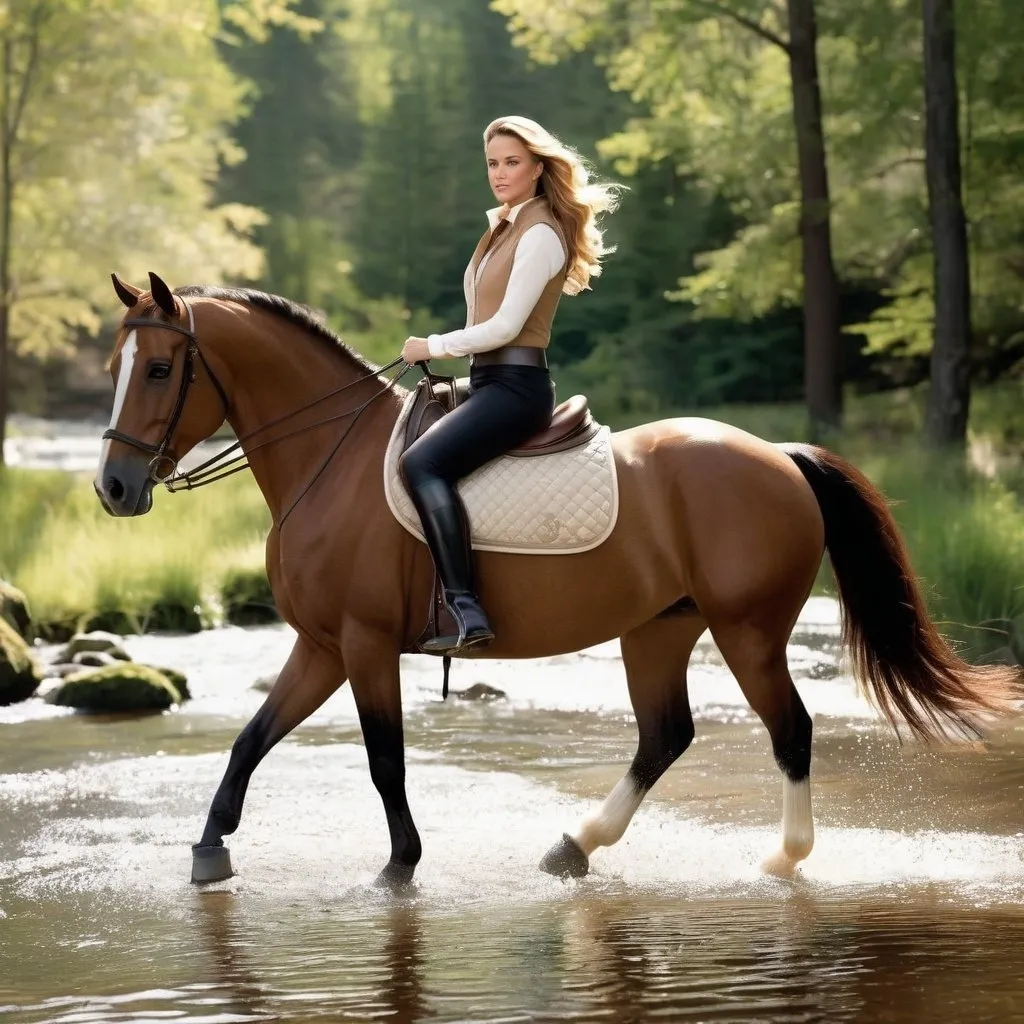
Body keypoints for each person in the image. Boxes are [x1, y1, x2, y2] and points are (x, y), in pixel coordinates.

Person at [399, 115, 621, 655]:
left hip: (517, 388)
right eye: (493, 164)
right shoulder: (505, 225)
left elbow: (504, 327)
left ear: (538, 167)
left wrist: (432, 346)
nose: (499, 174)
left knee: (421, 465)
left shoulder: (541, 231)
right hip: (487, 379)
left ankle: (466, 607)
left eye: (511, 162)